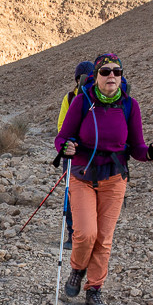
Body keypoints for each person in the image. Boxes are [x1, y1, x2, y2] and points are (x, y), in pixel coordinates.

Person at [54, 53, 153, 305]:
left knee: (103, 238)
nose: (111, 76)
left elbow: (136, 146)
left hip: (114, 178)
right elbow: (62, 137)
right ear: (96, 76)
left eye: (116, 71)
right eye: (105, 72)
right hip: (82, 175)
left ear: (121, 76)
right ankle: (77, 269)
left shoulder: (129, 105)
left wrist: (150, 153)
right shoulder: (82, 102)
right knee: (85, 233)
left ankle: (95, 289)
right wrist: (66, 147)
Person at [55, 61, 94, 249]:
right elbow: (61, 127)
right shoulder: (70, 98)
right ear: (77, 79)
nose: (85, 82)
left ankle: (90, 233)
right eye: (82, 78)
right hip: (73, 154)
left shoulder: (101, 98)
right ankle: (73, 234)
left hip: (95, 155)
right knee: (72, 193)